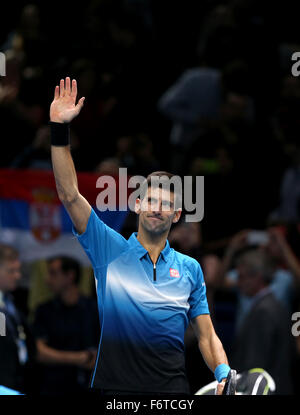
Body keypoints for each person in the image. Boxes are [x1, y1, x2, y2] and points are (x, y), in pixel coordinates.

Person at [48, 76, 233, 395]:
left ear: (176, 215)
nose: (157, 208)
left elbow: (206, 335)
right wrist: (59, 129)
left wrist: (224, 373)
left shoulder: (190, 269)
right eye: (151, 200)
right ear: (137, 205)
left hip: (172, 394)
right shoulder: (108, 248)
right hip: (114, 393)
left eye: (166, 204)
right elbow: (68, 194)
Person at [230, 249, 294, 394]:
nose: (238, 283)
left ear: (257, 277)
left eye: (241, 277)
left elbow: (255, 365)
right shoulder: (276, 305)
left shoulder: (263, 311)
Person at [32, 256, 99, 395]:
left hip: (89, 386)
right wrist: (78, 358)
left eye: (53, 273)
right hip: (53, 386)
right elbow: (39, 352)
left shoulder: (94, 309)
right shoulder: (44, 310)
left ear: (70, 276)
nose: (47, 280)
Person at [0, 244, 35, 393]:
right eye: (11, 271)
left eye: (18, 270)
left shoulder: (10, 302)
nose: (18, 276)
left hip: (17, 382)